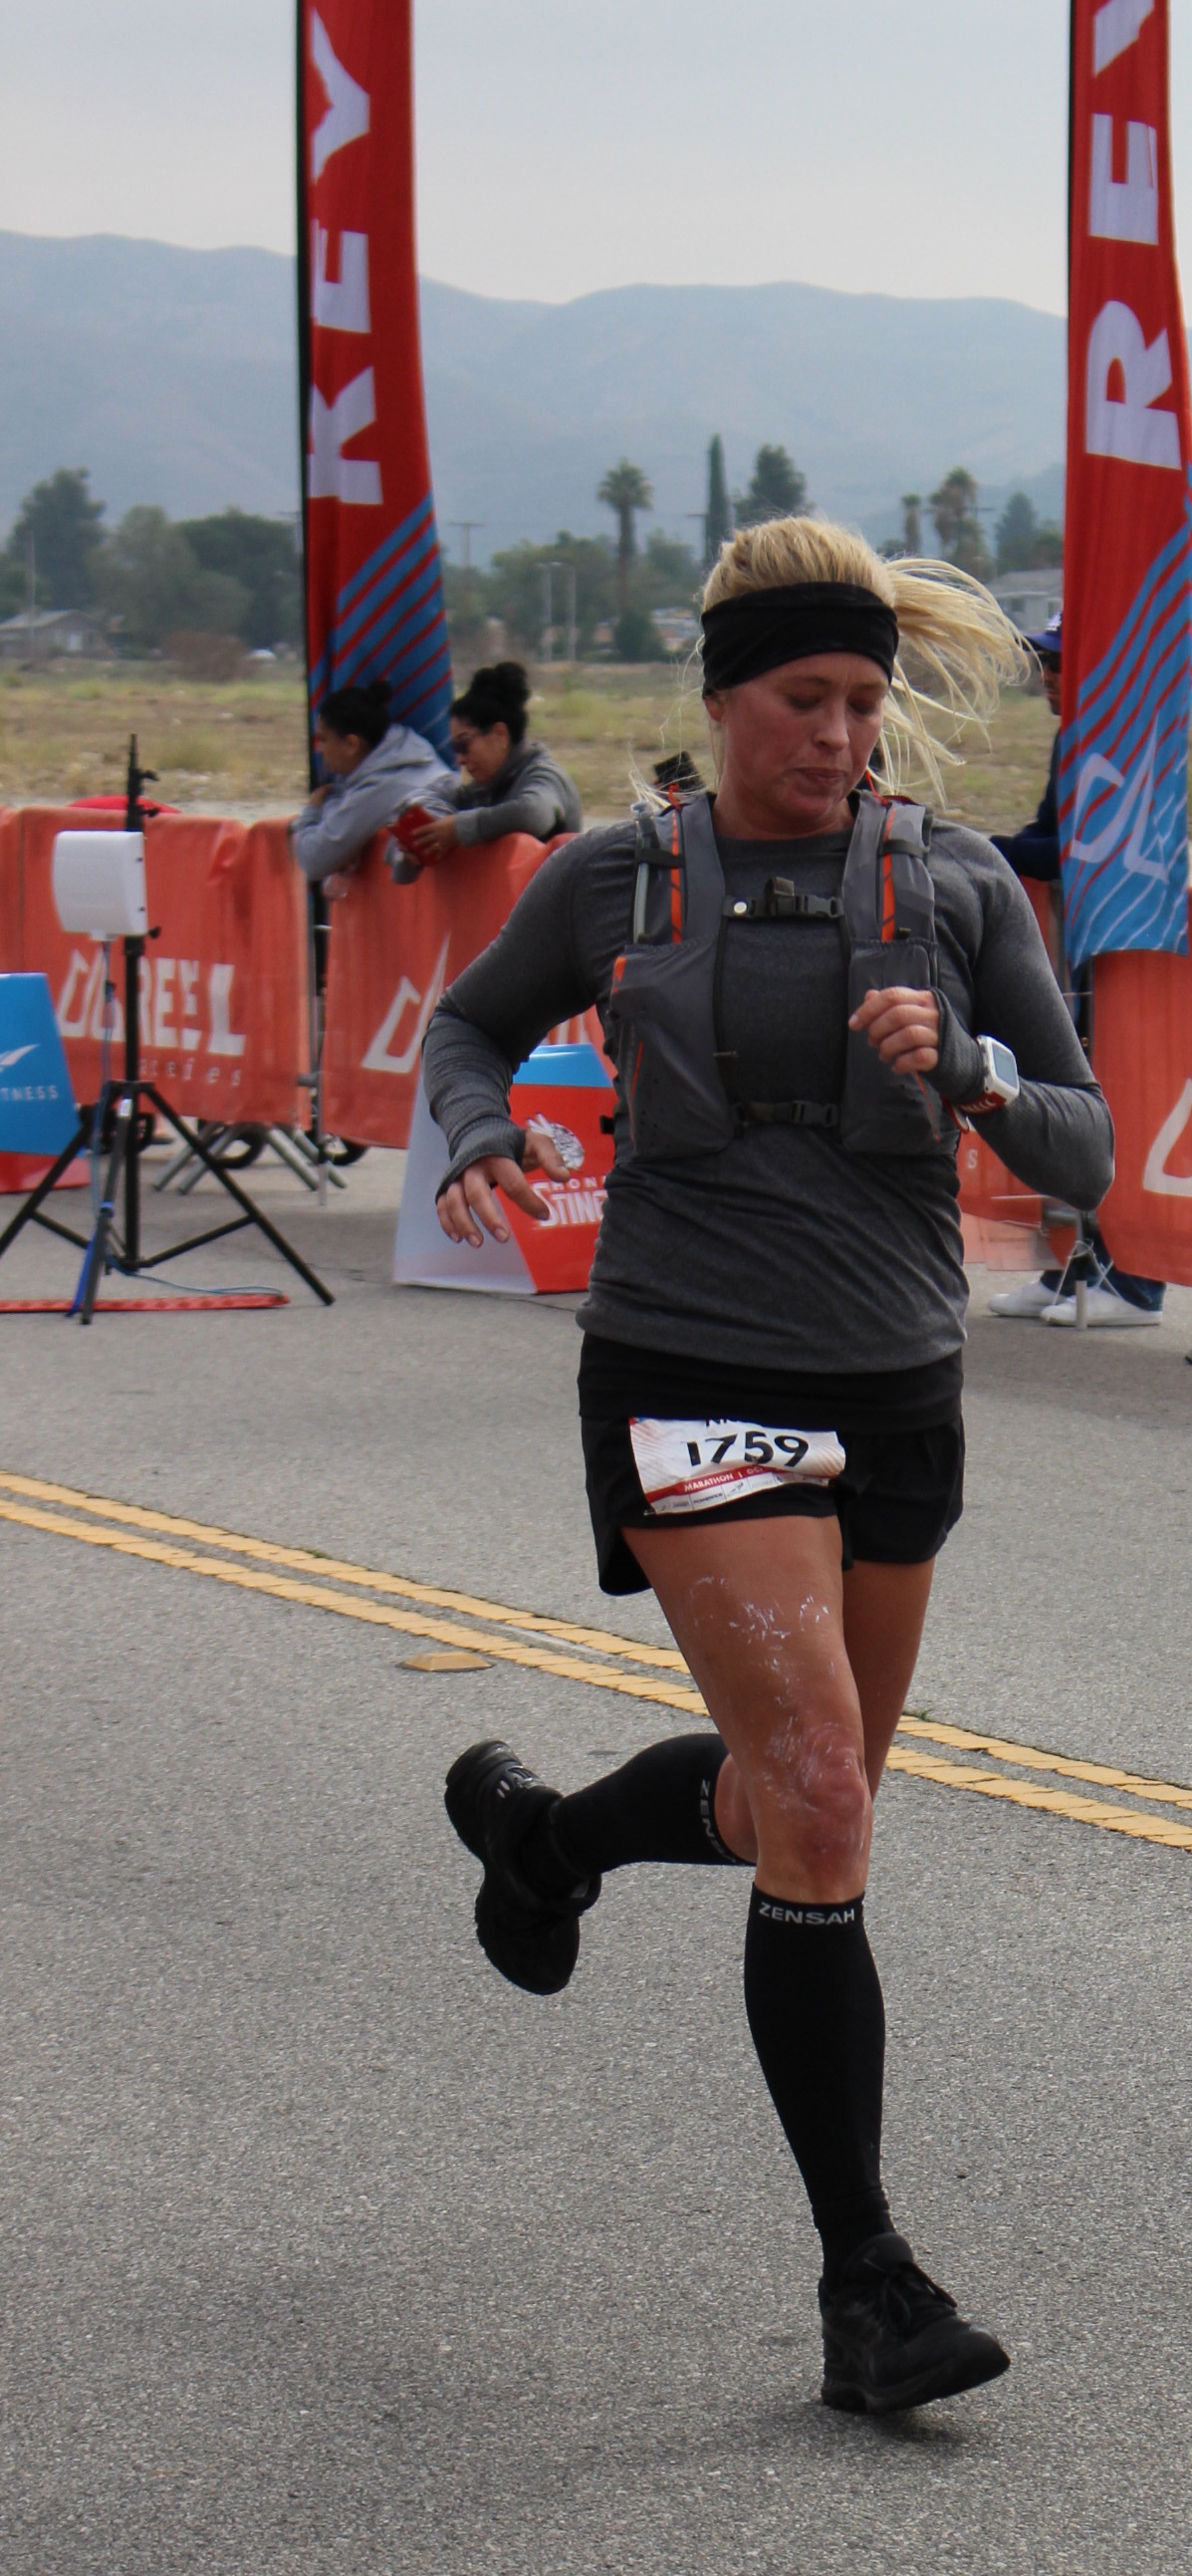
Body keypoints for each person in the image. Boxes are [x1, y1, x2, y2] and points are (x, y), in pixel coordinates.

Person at [420, 516, 1113, 2418]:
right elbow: (468, 1024)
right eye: (803, 698)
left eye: (863, 700)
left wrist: (971, 1071)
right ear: (723, 698)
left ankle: (549, 1840)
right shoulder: (616, 875)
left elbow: (1083, 1149)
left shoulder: (955, 884)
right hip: (686, 1364)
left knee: (806, 1806)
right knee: (815, 1783)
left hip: (893, 1381)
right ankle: (865, 2283)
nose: (838, 734)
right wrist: (478, 1128)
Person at [984, 619, 1166, 1330]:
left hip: (1129, 945)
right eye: (1043, 663)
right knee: (1068, 1093)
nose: (1047, 677)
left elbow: (1078, 850)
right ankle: (1070, 1268)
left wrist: (983, 853)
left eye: (1060, 664)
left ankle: (1138, 1282)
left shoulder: (1118, 739)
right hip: (1081, 946)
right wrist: (985, 847)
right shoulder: (1073, 739)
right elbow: (1043, 832)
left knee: (1119, 1103)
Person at [399, 660, 583, 864]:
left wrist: (458, 828)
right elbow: (432, 796)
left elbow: (533, 813)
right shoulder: (483, 789)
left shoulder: (545, 776)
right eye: (455, 749)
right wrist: (425, 834)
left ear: (500, 735)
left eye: (464, 745)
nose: (460, 759)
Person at [291, 681, 456, 896]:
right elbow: (340, 805)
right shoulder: (401, 752)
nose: (319, 749)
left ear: (351, 744)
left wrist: (312, 812)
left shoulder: (383, 785)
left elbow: (314, 859)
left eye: (323, 739)